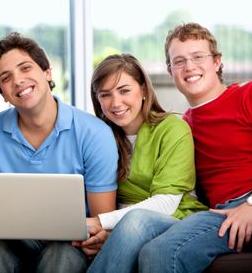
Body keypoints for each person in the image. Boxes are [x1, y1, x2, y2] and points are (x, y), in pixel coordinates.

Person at [0, 32, 119, 273]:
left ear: (47, 73)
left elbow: (102, 220)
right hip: (11, 239)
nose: (18, 80)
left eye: (25, 68)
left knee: (61, 258)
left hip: (68, 242)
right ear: (4, 94)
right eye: (6, 78)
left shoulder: (94, 134)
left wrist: (96, 238)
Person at [138, 22, 252, 273]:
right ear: (170, 71)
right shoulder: (181, 127)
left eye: (198, 57)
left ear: (217, 62)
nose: (189, 67)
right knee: (158, 252)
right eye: (179, 61)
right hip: (221, 215)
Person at [71, 54, 207, 273]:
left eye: (124, 90)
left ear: (143, 90)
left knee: (136, 222)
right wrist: (110, 231)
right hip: (126, 228)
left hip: (177, 220)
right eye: (105, 95)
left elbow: (167, 203)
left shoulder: (173, 129)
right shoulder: (98, 137)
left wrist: (102, 221)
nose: (116, 103)